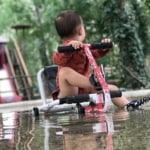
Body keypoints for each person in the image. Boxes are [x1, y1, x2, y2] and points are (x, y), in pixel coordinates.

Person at [52, 10, 129, 109]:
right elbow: (57, 59)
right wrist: (68, 50)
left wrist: (103, 48)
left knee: (113, 89)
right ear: (80, 30)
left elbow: (95, 53)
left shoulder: (84, 48)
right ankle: (94, 83)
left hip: (86, 89)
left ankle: (129, 106)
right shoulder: (63, 49)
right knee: (64, 72)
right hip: (69, 92)